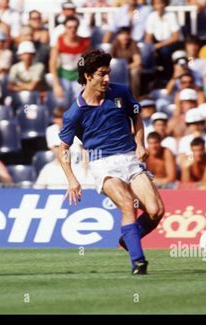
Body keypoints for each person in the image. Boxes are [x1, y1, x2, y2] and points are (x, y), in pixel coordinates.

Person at [58, 49, 164, 275]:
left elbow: (136, 116)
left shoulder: (122, 92)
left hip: (130, 159)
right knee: (127, 204)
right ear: (87, 75)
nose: (107, 79)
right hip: (102, 163)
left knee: (156, 211)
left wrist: (140, 144)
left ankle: (129, 238)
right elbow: (63, 150)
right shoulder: (74, 112)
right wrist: (72, 180)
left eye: (109, 73)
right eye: (101, 74)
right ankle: (138, 262)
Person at [110, 27, 142, 98]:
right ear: (118, 36)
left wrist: (125, 68)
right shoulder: (115, 43)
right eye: (122, 34)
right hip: (117, 69)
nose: (125, 36)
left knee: (135, 72)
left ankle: (134, 96)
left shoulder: (132, 43)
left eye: (127, 34)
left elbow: (137, 61)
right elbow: (109, 59)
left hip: (129, 67)